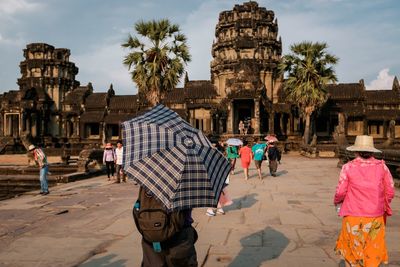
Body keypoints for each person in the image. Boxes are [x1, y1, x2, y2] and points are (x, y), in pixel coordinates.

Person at [334, 135, 395, 267]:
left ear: (355, 151)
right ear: (372, 151)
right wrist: (381, 204)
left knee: (353, 251)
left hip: (353, 215)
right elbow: (390, 191)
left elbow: (340, 192)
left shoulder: (348, 168)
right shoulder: (382, 167)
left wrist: (337, 202)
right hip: (375, 216)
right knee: (372, 251)